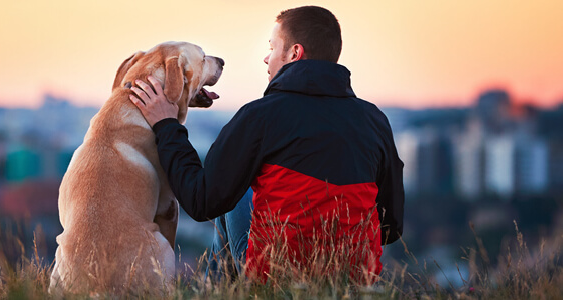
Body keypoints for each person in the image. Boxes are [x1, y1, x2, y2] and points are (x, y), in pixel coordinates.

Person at [129, 5, 404, 283]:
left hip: (277, 277)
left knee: (232, 196)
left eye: (272, 47)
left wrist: (166, 125)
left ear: (294, 53)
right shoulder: (375, 121)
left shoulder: (260, 116)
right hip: (354, 280)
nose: (266, 58)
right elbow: (391, 227)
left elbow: (201, 201)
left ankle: (218, 293)